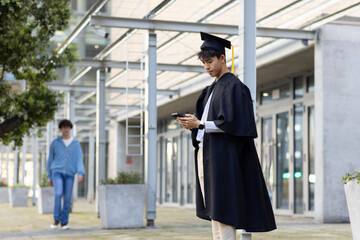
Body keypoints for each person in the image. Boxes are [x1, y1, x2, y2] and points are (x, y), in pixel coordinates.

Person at [177, 32, 276, 240]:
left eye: (210, 61)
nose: (207, 67)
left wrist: (200, 123)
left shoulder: (234, 87)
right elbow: (211, 124)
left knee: (224, 209)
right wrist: (193, 125)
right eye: (204, 63)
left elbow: (235, 123)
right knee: (214, 209)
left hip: (224, 157)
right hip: (207, 154)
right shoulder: (211, 89)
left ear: (223, 58)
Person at [46, 119, 85, 230]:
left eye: (67, 127)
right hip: (57, 172)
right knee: (58, 193)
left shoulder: (75, 143)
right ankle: (56, 219)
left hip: (69, 173)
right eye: (63, 127)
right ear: (60, 129)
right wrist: (49, 175)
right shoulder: (55, 143)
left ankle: (64, 222)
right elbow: (50, 159)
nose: (65, 129)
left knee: (67, 197)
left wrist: (81, 172)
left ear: (70, 129)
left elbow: (79, 159)